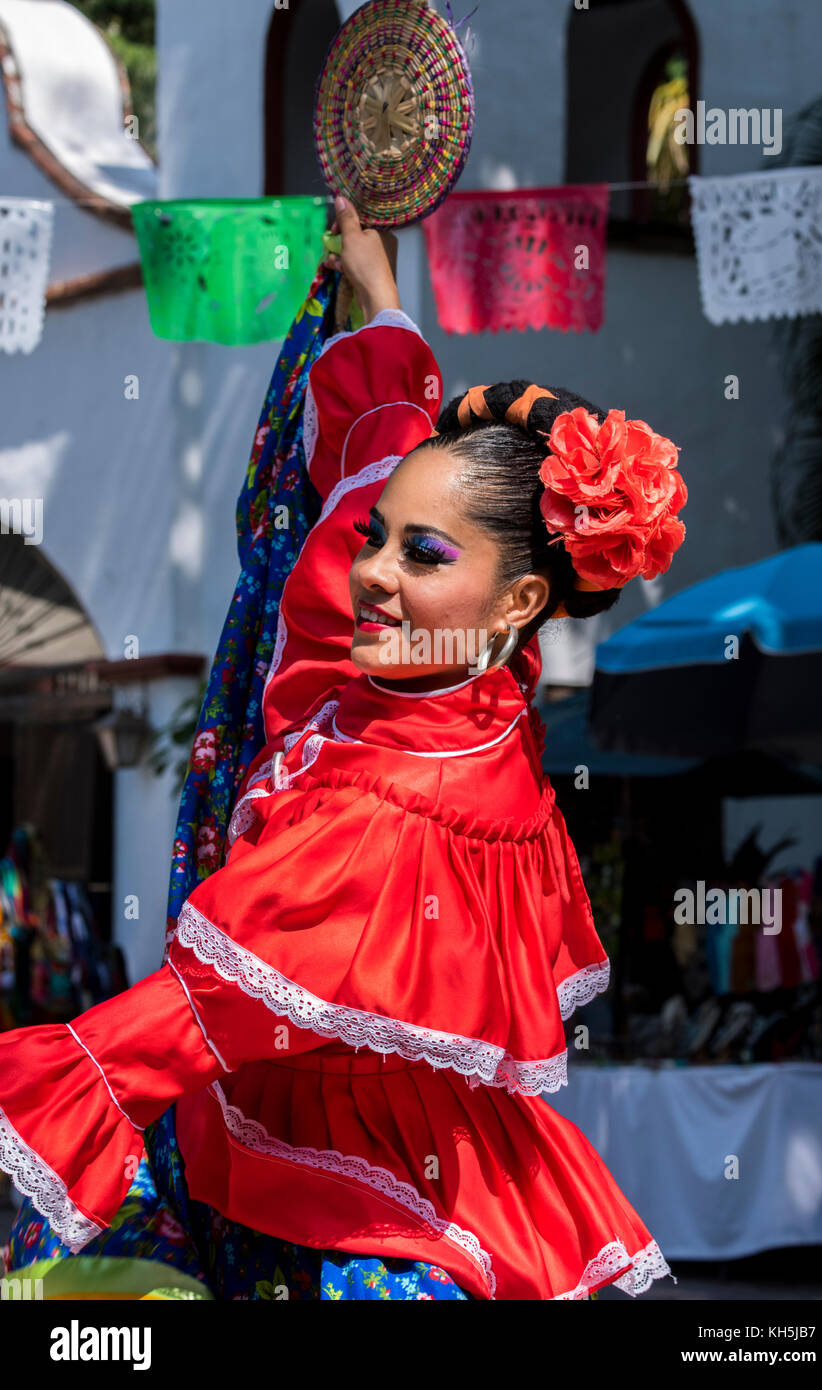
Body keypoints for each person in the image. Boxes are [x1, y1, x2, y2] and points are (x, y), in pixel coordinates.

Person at [0, 197, 687, 1301]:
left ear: (516, 599)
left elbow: (219, 1001)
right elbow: (383, 462)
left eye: (416, 553)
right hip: (306, 1143)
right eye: (374, 539)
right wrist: (381, 298)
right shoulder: (459, 674)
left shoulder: (400, 800)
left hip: (375, 1206)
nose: (370, 568)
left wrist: (66, 1080)